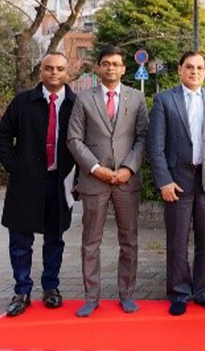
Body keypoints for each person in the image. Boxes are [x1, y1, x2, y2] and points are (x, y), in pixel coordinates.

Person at [66, 46, 148, 317]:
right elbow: (74, 139)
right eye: (105, 64)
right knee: (91, 241)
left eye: (116, 64)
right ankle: (91, 297)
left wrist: (128, 168)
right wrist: (96, 168)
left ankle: (127, 294)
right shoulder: (83, 99)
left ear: (124, 68)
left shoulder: (136, 99)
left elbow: (143, 137)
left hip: (126, 181)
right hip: (94, 181)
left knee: (129, 241)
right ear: (98, 68)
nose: (110, 68)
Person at [148, 51, 205, 316]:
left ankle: (203, 291)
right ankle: (179, 293)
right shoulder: (164, 100)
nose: (194, 71)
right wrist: (164, 181)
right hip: (177, 182)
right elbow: (156, 146)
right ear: (179, 70)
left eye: (199, 67)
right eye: (189, 67)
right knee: (178, 240)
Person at [0, 53, 76, 317]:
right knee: (20, 239)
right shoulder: (23, 102)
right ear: (41, 71)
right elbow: (2, 136)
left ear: (67, 73)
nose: (54, 73)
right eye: (49, 68)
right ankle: (22, 290)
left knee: (55, 238)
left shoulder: (75, 105)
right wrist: (16, 168)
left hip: (59, 181)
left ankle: (51, 287)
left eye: (60, 69)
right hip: (26, 182)